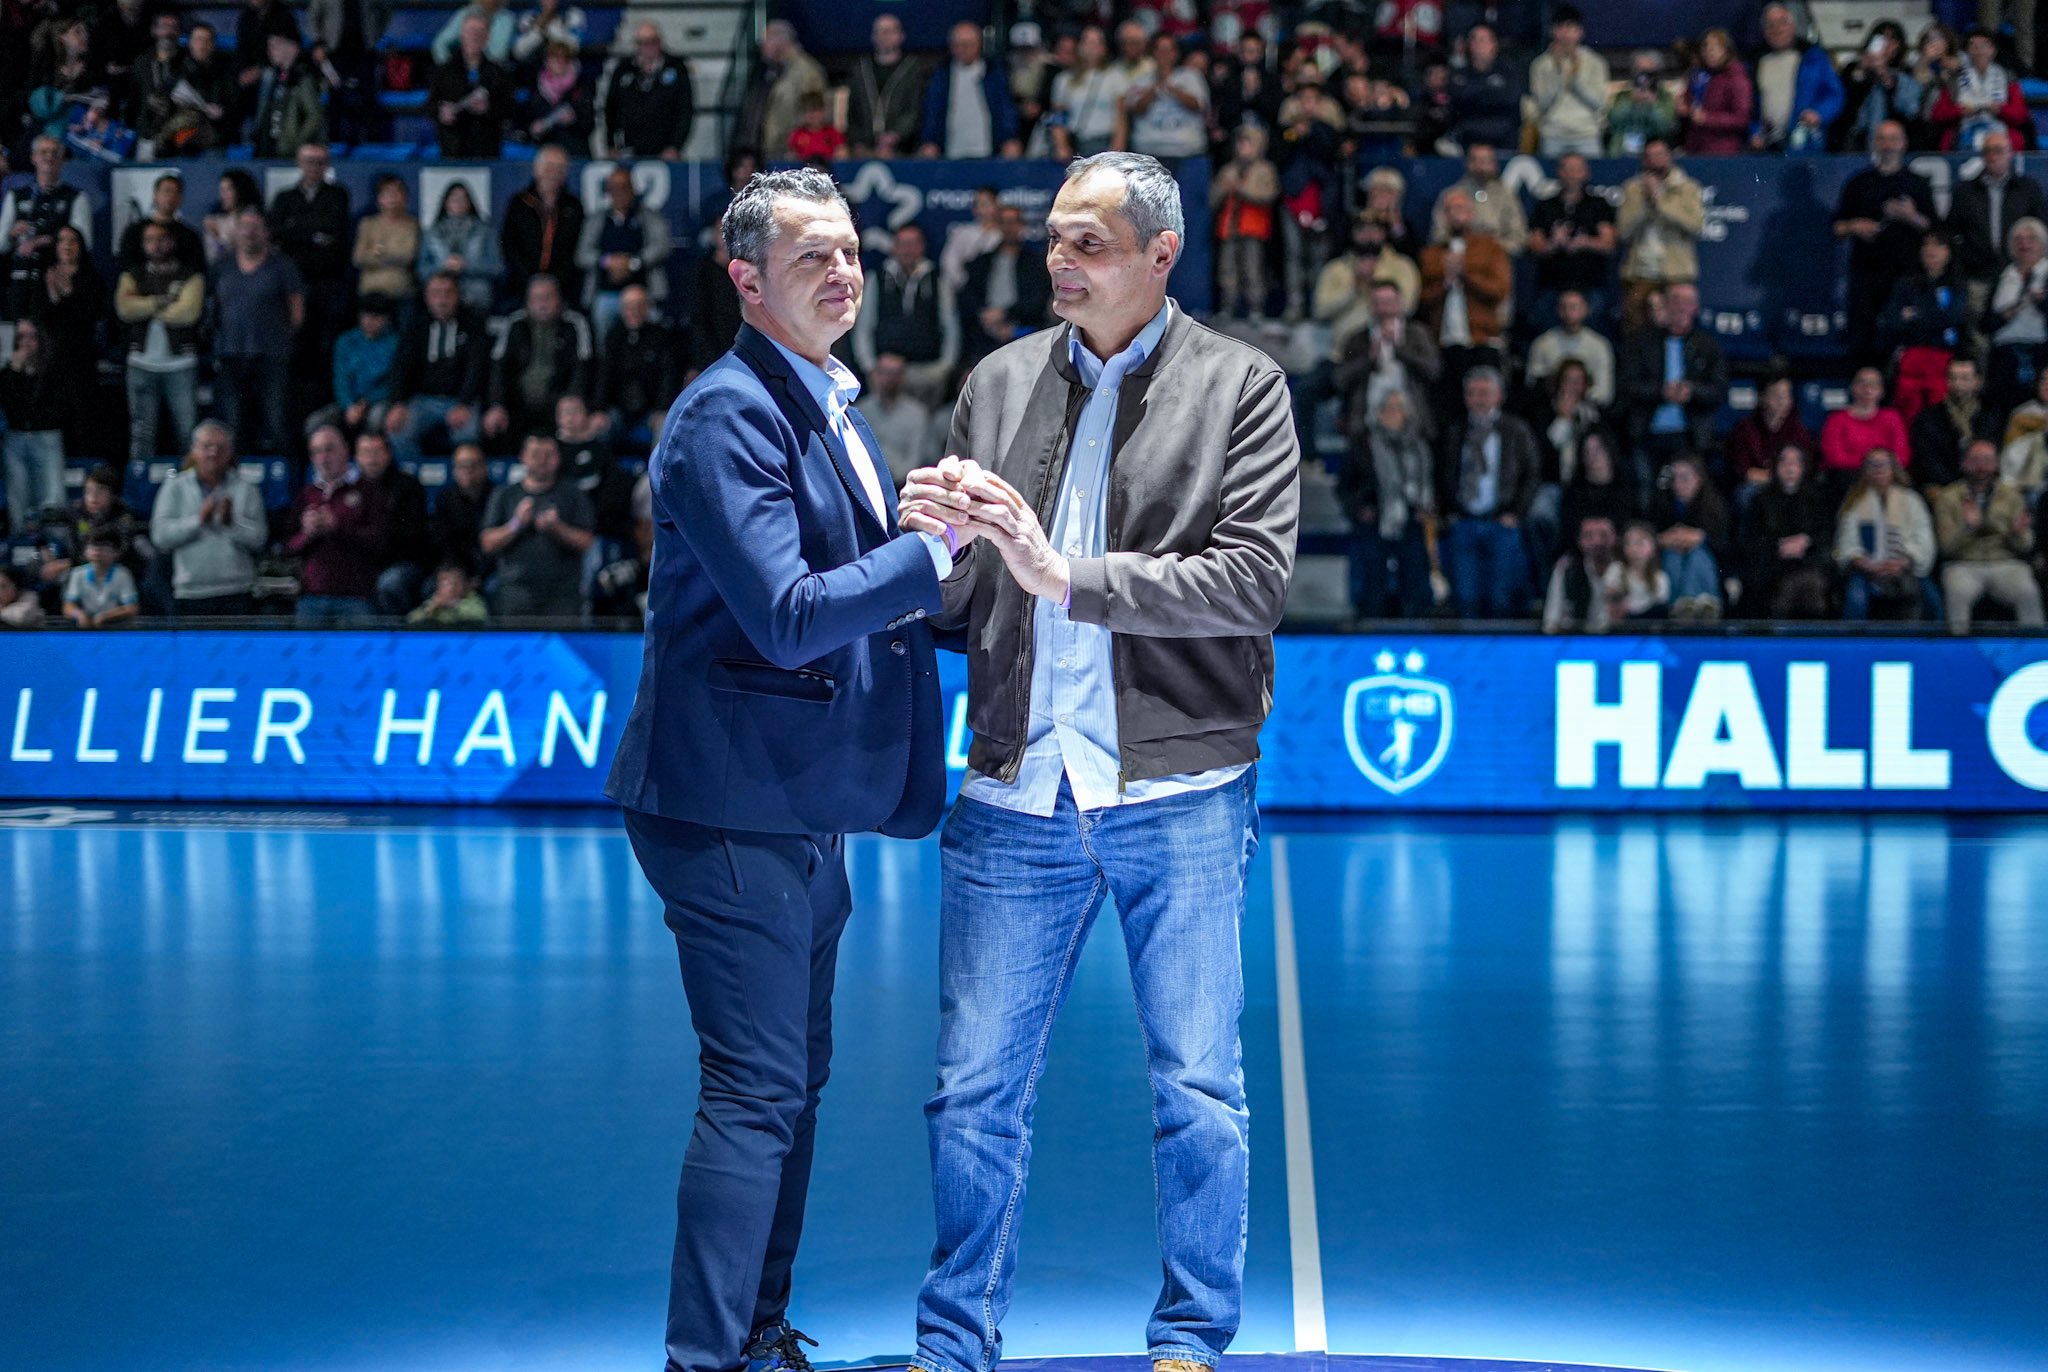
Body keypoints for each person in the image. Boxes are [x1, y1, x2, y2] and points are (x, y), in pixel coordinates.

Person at [895, 149, 1296, 1372]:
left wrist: (1063, 573)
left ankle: (1189, 1339)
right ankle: (952, 1344)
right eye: (1054, 241)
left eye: (1088, 243)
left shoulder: (1241, 386)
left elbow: (1251, 582)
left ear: (1160, 255)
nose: (1058, 262)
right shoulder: (998, 380)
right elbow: (965, 598)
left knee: (1197, 1088)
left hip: (1174, 789)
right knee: (971, 1090)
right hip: (1013, 786)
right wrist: (925, 547)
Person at [601, 165, 954, 1372]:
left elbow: (859, 591)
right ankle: (706, 1359)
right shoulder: (725, 414)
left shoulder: (822, 400)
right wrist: (931, 552)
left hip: (798, 801)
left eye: (849, 250)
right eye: (813, 256)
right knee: (756, 1088)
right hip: (727, 803)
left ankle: (754, 1333)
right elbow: (791, 616)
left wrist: (955, 558)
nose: (843, 271)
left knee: (790, 1081)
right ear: (746, 280)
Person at [1436, 364, 1537, 618]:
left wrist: (1517, 512)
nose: (1478, 400)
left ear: (1498, 396)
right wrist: (1449, 512)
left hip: (1501, 522)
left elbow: (1531, 473)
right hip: (1464, 522)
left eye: (1484, 393)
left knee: (1502, 597)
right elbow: (1443, 473)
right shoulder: (1455, 430)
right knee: (1465, 597)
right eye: (1472, 393)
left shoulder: (1515, 430)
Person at [1832, 120, 1936, 365]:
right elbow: (1837, 227)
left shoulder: (1917, 183)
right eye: (1882, 139)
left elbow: (1934, 228)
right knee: (1862, 340)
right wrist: (1855, 226)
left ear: (1903, 144)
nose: (1887, 145)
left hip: (1906, 277)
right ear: (1874, 144)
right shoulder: (1859, 183)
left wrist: (1910, 217)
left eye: (1893, 139)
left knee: (1903, 341)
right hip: (1866, 277)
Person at [208, 209, 303, 456]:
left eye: (256, 227)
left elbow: (297, 312)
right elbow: (214, 306)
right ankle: (237, 474)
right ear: (236, 231)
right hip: (231, 354)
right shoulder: (222, 265)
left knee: (277, 420)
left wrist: (281, 339)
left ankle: (284, 473)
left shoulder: (282, 265)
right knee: (234, 422)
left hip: (272, 355)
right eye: (245, 226)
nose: (250, 232)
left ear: (266, 232)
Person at [150, 421, 268, 616]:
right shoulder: (174, 487)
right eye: (207, 446)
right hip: (190, 594)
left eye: (220, 448)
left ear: (230, 452)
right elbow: (160, 536)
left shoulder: (247, 489)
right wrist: (198, 521)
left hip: (237, 592)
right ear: (194, 450)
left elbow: (259, 540)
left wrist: (230, 524)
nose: (213, 453)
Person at [1341, 383, 1435, 619]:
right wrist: (1360, 509)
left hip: (1412, 520)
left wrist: (1426, 506)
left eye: (1397, 408)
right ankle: (1371, 623)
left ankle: (1414, 624)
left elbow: (1430, 481)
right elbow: (1345, 486)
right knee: (1373, 580)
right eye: (1387, 408)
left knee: (1414, 576)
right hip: (1375, 521)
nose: (1392, 414)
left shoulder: (1419, 445)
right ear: (1378, 413)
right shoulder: (1363, 446)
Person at [116, 220, 205, 464]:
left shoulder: (190, 276)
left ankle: (191, 481)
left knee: (188, 432)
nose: (156, 245)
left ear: (172, 242)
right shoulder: (132, 275)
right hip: (141, 363)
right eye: (149, 240)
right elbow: (125, 309)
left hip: (181, 364)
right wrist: (163, 301)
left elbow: (188, 313)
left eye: (161, 239)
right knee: (141, 434)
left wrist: (144, 306)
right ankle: (139, 483)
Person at [1944, 129, 2044, 340]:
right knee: (1977, 338)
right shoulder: (1965, 191)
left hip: (2018, 276)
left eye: (1998, 151)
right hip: (1977, 276)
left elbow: (2041, 231)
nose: (1992, 156)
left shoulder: (2028, 189)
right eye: (1987, 151)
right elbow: (1950, 232)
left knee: (2019, 334)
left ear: (2010, 154)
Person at [1934, 436, 2042, 630]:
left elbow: (2026, 545)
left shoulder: (2011, 496)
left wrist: (2016, 533)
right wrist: (1967, 528)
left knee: (2027, 591)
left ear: (1996, 464)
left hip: (2004, 562)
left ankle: (2033, 647)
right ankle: (1957, 647)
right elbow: (1946, 548)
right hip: (1964, 564)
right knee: (1957, 593)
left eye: (1987, 460)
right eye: (1975, 460)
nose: (1981, 466)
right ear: (1964, 463)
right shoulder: (1948, 497)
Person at [1418, 188, 1511, 407]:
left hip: (1481, 338)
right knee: (1449, 405)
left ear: (1471, 213)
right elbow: (1422, 300)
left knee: (1484, 400)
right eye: (1450, 210)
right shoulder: (1431, 254)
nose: (1455, 215)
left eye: (1460, 208)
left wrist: (1466, 276)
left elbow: (1499, 291)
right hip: (1444, 341)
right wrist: (1446, 282)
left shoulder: (1490, 248)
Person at [851, 223, 957, 406]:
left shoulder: (938, 279)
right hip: (885, 370)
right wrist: (869, 366)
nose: (908, 249)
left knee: (925, 422)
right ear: (894, 246)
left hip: (928, 371)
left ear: (923, 246)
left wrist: (946, 366)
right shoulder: (877, 278)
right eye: (902, 244)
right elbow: (864, 326)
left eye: (913, 244)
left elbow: (950, 325)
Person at [1621, 282, 1725, 468]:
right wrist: (1662, 392)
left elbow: (1719, 390)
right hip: (1647, 435)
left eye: (1688, 302)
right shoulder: (1640, 343)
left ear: (1696, 307)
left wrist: (1691, 391)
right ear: (1666, 305)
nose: (1682, 307)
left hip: (1691, 437)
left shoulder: (1708, 345)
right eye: (1676, 301)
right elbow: (1628, 386)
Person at [387, 272, 488, 463]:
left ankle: (460, 478)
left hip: (460, 399)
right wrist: (397, 403)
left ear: (457, 295)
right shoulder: (416, 325)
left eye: (448, 293)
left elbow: (476, 368)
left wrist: (464, 403)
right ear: (427, 297)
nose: (442, 300)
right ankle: (413, 477)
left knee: (467, 433)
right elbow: (401, 366)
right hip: (423, 400)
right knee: (399, 430)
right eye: (436, 294)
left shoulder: (473, 323)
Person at [287, 423, 385, 621]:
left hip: (356, 598)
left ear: (346, 449)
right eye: (317, 452)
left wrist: (337, 527)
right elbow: (289, 546)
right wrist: (307, 534)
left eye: (329, 449)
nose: (323, 458)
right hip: (312, 598)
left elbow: (380, 541)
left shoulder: (368, 490)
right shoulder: (307, 494)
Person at [484, 273, 595, 442]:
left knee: (573, 414)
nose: (542, 304)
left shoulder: (574, 324)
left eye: (547, 298)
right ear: (528, 301)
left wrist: (573, 398)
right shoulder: (515, 323)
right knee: (494, 422)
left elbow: (582, 368)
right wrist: (496, 404)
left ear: (559, 299)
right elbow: (498, 368)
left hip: (558, 401)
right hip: (518, 401)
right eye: (536, 299)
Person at [267, 142, 351, 358]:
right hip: (294, 281)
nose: (314, 167)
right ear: (299, 163)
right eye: (309, 161)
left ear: (327, 165)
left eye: (320, 162)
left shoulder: (337, 194)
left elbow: (333, 228)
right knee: (295, 339)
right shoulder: (285, 197)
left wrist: (295, 229)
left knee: (326, 342)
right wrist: (313, 235)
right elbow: (276, 232)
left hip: (328, 281)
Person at [1836, 447, 1937, 621]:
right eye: (1873, 465)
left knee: (1933, 602)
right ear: (1866, 471)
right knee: (1856, 600)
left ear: (1893, 469)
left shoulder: (1912, 500)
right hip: (1866, 568)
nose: (1878, 469)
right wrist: (1862, 561)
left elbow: (1923, 537)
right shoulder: (1854, 501)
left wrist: (1903, 561)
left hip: (1905, 565)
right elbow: (1846, 539)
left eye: (1883, 464)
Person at [1616, 138, 1705, 329]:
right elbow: (1624, 231)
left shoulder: (1687, 187)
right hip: (1640, 271)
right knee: (1636, 328)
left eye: (1659, 155)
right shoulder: (1632, 189)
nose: (1655, 160)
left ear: (1669, 157)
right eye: (1649, 156)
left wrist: (1660, 201)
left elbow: (1695, 225)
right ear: (1643, 160)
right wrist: (1647, 202)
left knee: (1678, 327)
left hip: (1677, 273)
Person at [576, 164, 672, 340]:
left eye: (624, 187)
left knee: (654, 334)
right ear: (608, 191)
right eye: (614, 188)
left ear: (633, 189)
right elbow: (582, 254)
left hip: (644, 291)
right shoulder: (596, 220)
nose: (620, 193)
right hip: (607, 293)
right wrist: (608, 262)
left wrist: (633, 263)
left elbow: (663, 246)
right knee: (602, 318)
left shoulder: (649, 217)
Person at [1877, 231, 1966, 419]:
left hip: (1943, 359)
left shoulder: (1957, 285)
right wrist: (1930, 317)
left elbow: (1952, 318)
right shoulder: (1906, 284)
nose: (1930, 250)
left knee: (1940, 413)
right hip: (1911, 359)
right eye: (1926, 244)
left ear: (1949, 252)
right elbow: (1891, 320)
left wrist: (1914, 315)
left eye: (1938, 245)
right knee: (1908, 412)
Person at [1741, 443, 1835, 619]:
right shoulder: (1760, 500)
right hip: (1772, 565)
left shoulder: (1817, 499)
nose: (1790, 468)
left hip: (1809, 562)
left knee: (1810, 584)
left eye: (1795, 462)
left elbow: (1826, 533)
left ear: (1803, 467)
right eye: (1784, 462)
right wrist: (1779, 545)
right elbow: (1752, 538)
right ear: (1775, 467)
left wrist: (1806, 541)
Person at [1, 137, 91, 318]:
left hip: (55, 284)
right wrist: (12, 234)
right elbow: (1, 245)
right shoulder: (16, 195)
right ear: (33, 157)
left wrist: (44, 241)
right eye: (43, 152)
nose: (49, 157)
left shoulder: (76, 197)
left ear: (62, 160)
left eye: (55, 153)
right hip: (18, 282)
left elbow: (84, 244)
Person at [1527, 157, 1616, 333]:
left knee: (1593, 337)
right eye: (1568, 170)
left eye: (1577, 170)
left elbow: (1609, 243)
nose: (1573, 175)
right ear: (1559, 172)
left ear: (1586, 173)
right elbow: (1534, 245)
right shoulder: (1546, 205)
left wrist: (1584, 242)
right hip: (1552, 288)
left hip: (1590, 287)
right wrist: (1553, 243)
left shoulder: (1598, 205)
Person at [958, 202, 1052, 366]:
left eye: (1013, 222)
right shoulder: (980, 263)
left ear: (1022, 225)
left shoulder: (1036, 263)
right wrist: (986, 316)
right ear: (998, 226)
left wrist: (1005, 314)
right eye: (1004, 222)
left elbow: (1038, 301)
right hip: (984, 336)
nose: (1009, 227)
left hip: (1025, 335)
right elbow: (968, 299)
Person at [353, 429, 432, 614]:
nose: (371, 459)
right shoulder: (351, 489)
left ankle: (398, 630)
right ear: (357, 457)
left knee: (389, 583)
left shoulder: (408, 485)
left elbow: (413, 537)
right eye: (366, 452)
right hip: (363, 562)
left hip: (403, 562)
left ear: (388, 454)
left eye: (377, 452)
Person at [919, 21, 1021, 159]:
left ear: (978, 44)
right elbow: (932, 110)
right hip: (951, 151)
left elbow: (1005, 108)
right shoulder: (942, 75)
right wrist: (930, 141)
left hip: (987, 150)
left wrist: (1009, 138)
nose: (962, 49)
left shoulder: (993, 73)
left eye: (967, 45)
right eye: (957, 45)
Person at [1750, 3, 1842, 153]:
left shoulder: (1814, 57)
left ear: (1793, 25)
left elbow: (1834, 94)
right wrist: (1754, 131)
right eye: (1770, 25)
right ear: (1764, 31)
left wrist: (1819, 113)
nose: (1777, 29)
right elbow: (1752, 106)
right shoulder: (1757, 61)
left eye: (1782, 23)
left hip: (1805, 143)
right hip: (1768, 147)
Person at [1, 318, 67, 524]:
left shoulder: (53, 371)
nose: (26, 342)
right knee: (18, 497)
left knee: (52, 496)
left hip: (46, 436)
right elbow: (8, 404)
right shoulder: (8, 374)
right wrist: (14, 372)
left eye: (31, 336)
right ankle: (21, 538)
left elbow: (58, 406)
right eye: (21, 337)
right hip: (16, 437)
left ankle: (55, 539)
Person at [1211, 125, 1279, 319]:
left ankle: (1255, 308)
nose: (1243, 148)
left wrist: (1242, 190)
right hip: (1229, 228)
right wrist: (1223, 188)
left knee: (1253, 269)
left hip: (1253, 228)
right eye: (1241, 143)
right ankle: (1227, 307)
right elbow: (1212, 199)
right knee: (1227, 269)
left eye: (1248, 143)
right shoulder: (1229, 169)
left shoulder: (1265, 170)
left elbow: (1269, 195)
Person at [502, 145, 585, 303]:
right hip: (520, 285)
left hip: (564, 287)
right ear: (536, 169)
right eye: (549, 166)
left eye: (559, 168)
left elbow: (576, 248)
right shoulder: (519, 203)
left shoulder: (574, 206)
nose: (553, 173)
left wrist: (555, 282)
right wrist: (530, 280)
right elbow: (509, 245)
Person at [735, 19, 826, 160]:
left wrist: (796, 145)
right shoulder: (775, 72)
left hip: (791, 154)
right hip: (772, 152)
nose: (762, 47)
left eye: (765, 41)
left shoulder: (807, 72)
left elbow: (813, 114)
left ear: (779, 43)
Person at [1648, 455, 1727, 618]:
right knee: (1673, 556)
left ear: (1698, 479)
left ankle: (1706, 606)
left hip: (1708, 562)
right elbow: (1651, 534)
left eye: (1684, 478)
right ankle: (1680, 609)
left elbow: (1725, 544)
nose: (1677, 484)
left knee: (1698, 555)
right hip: (1670, 559)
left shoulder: (1715, 506)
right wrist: (1663, 539)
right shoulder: (1661, 504)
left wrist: (1701, 538)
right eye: (1673, 478)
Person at [597, 284, 677, 443]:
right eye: (628, 307)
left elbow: (668, 376)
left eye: (639, 306)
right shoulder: (614, 337)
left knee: (665, 425)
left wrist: (661, 408)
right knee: (598, 426)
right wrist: (599, 409)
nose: (634, 311)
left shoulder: (662, 337)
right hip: (619, 410)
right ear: (621, 310)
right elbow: (604, 375)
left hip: (652, 411)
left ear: (647, 308)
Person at [1929, 28, 2030, 152]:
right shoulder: (1954, 79)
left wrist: (2000, 109)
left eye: (1984, 46)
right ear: (1967, 51)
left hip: (2000, 130)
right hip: (1964, 130)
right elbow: (1938, 115)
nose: (1979, 51)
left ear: (1993, 50)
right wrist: (1960, 111)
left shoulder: (2007, 78)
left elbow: (2020, 115)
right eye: (1974, 46)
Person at [844, 11, 928, 158]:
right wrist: (858, 141)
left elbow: (914, 109)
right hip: (865, 149)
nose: (884, 36)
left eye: (889, 32)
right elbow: (853, 111)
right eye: (879, 32)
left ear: (900, 36)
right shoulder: (861, 69)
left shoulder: (912, 69)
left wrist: (895, 136)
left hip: (903, 149)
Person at [1911, 355, 2001, 491]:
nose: (1958, 384)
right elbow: (1927, 460)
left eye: (1965, 378)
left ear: (1977, 381)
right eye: (1953, 378)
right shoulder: (1928, 418)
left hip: (1983, 484)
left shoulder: (1990, 416)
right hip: (1942, 486)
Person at [604, 22, 693, 158]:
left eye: (653, 41)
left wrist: (675, 146)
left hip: (665, 150)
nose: (649, 46)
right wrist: (611, 144)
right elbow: (611, 109)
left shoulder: (676, 67)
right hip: (629, 148)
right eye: (644, 42)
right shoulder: (623, 69)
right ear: (636, 44)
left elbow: (685, 110)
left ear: (660, 42)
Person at [1528, 5, 1607, 157]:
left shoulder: (1595, 62)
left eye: (1570, 28)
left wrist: (1575, 79)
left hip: (1586, 133)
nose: (1566, 33)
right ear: (1553, 31)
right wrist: (1557, 73)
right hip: (1553, 134)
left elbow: (1599, 104)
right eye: (1561, 28)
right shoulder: (1540, 65)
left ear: (1580, 32)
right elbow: (1542, 104)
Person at [1988, 215, 2048, 413]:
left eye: (2031, 239)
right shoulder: (2003, 275)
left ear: (2042, 244)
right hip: (2004, 351)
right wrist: (2004, 316)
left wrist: (2042, 302)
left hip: (2039, 351)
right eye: (2019, 239)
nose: (2025, 244)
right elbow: (1985, 321)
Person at [1427, 141, 1528, 259]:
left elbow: (1518, 235)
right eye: (1477, 160)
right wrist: (1460, 245)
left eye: (1486, 161)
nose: (1481, 166)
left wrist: (1492, 248)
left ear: (1494, 164)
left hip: (1498, 254)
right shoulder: (1451, 195)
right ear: (1468, 163)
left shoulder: (1507, 196)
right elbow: (1438, 235)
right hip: (1460, 256)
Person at [1837, 20, 1923, 153]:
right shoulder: (1852, 68)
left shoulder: (1906, 72)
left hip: (1894, 141)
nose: (1887, 45)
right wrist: (1862, 68)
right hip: (1856, 138)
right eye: (1882, 38)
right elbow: (1846, 98)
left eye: (1893, 40)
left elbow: (1909, 108)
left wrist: (1884, 74)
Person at [1118, 31, 1206, 159]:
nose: (1164, 55)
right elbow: (1135, 110)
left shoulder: (1191, 77)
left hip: (1186, 150)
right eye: (1160, 50)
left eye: (1168, 50)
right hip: (1149, 151)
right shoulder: (1141, 80)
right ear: (1153, 53)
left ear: (1176, 53)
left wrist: (1173, 89)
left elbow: (1198, 105)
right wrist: (1154, 89)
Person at [1047, 25, 1129, 161]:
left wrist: (1116, 150)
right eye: (1087, 42)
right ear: (1079, 46)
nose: (1091, 48)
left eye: (1096, 43)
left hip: (1104, 142)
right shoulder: (1064, 79)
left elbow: (1121, 119)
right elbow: (1058, 116)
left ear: (1104, 48)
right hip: (1076, 142)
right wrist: (1061, 146)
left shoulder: (1116, 77)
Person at [1727, 372, 1818, 493]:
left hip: (1792, 486)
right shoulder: (1745, 429)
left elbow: (1805, 469)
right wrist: (1776, 476)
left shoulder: (1799, 430)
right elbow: (1745, 471)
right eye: (1777, 396)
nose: (1783, 402)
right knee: (1746, 492)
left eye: (1787, 396)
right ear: (1762, 397)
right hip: (1759, 486)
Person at [418, 180, 500, 314]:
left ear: (470, 202)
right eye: (454, 199)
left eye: (463, 199)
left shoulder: (485, 231)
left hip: (476, 296)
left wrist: (466, 266)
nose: (458, 203)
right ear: (445, 202)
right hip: (441, 298)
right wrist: (443, 267)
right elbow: (422, 270)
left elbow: (496, 267)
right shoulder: (432, 232)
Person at [1820, 366, 1912, 483]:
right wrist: (1874, 465)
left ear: (1881, 390)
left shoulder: (1892, 417)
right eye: (1862, 383)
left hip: (1887, 478)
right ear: (1852, 387)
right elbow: (1834, 458)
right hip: (1848, 478)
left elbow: (1902, 456)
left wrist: (1877, 467)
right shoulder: (1837, 419)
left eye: (1874, 384)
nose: (1867, 388)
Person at [1525, 288, 1615, 407]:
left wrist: (1576, 400)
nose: (1568, 311)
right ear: (1558, 310)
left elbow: (1604, 391)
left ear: (1586, 309)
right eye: (1564, 307)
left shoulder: (1599, 345)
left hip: (1588, 408)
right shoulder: (1542, 344)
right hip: (1549, 408)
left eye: (1574, 306)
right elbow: (1532, 383)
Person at [852, 352, 932, 484]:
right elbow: (854, 453)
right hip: (865, 480)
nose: (889, 379)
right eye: (885, 372)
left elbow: (917, 456)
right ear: (874, 375)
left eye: (895, 373)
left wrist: (896, 480)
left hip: (904, 482)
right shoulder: (859, 411)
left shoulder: (917, 413)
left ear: (903, 377)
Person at [1446, 22, 1523, 151]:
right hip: (1468, 133)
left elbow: (1511, 99)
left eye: (1483, 40)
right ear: (1469, 45)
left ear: (1494, 44)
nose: (1479, 44)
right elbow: (1458, 98)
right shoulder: (1458, 73)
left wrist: (1474, 92)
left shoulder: (1510, 71)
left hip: (1503, 133)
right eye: (1474, 39)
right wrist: (1492, 89)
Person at [249, 32, 327, 158]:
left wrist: (297, 143)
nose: (270, 51)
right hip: (267, 147)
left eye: (276, 46)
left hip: (287, 152)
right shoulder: (273, 76)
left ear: (292, 48)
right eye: (270, 47)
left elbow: (314, 115)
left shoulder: (303, 78)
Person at [1678, 28, 1754, 156]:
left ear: (1727, 50)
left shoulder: (1737, 79)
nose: (1710, 51)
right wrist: (1684, 107)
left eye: (1716, 46)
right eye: (1706, 47)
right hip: (1695, 148)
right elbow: (1691, 106)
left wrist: (1708, 118)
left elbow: (1741, 119)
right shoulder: (1698, 76)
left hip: (1723, 152)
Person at [115, 173, 205, 278]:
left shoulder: (190, 236)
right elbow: (126, 268)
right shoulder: (134, 232)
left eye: (176, 192)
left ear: (180, 198)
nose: (171, 197)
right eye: (167, 191)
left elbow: (196, 271)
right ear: (155, 195)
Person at [1542, 512, 1619, 631]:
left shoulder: (1626, 570)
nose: (1597, 542)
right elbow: (1552, 621)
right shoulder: (1567, 570)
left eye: (1603, 535)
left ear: (1615, 538)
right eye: (1589, 536)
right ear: (1579, 540)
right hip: (1577, 637)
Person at [1607, 49, 1678, 157]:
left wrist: (1653, 105)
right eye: (1639, 70)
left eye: (1648, 71)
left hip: (1654, 152)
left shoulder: (1665, 96)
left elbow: (1665, 127)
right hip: (1622, 151)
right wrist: (1631, 102)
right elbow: (1613, 120)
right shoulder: (1624, 94)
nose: (1644, 75)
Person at [62, 531, 140, 628]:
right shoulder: (77, 573)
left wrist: (106, 616)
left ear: (116, 553)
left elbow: (131, 608)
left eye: (104, 548)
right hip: (87, 628)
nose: (97, 552)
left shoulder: (123, 575)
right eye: (92, 547)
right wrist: (79, 615)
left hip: (116, 628)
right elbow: (68, 607)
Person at [527, 40, 594, 151]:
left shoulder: (581, 89)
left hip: (574, 151)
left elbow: (589, 124)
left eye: (564, 58)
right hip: (546, 151)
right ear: (547, 60)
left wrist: (573, 122)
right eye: (554, 57)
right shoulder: (537, 89)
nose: (559, 62)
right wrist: (533, 128)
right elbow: (528, 121)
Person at [407, 559, 489, 624]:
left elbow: (480, 615)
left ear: (465, 584)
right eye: (444, 583)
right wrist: (431, 608)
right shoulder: (435, 601)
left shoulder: (471, 599)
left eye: (455, 582)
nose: (450, 588)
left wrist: (453, 604)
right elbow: (411, 619)